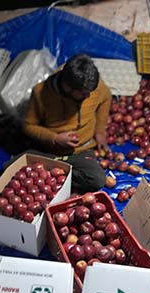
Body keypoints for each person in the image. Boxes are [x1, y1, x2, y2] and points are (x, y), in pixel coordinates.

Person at [21, 53, 112, 193]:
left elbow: (106, 98)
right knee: (8, 169)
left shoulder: (93, 87)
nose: (88, 96)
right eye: (83, 94)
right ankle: (51, 175)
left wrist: (99, 131)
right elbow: (28, 126)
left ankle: (48, 176)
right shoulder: (40, 93)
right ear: (68, 87)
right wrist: (55, 138)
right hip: (50, 151)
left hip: (80, 151)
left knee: (97, 179)